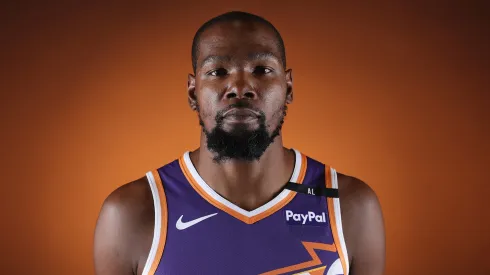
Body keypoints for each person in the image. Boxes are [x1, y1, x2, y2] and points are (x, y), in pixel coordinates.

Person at [93, 11, 385, 275]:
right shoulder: (132, 214)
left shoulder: (348, 205)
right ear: (193, 93)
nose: (241, 88)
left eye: (261, 70)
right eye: (218, 72)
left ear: (289, 87)